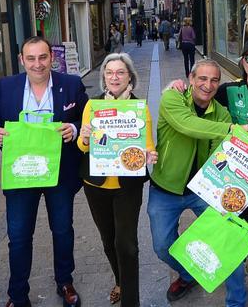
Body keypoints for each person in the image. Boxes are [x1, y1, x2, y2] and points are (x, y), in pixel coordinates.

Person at [166, 38, 248, 291]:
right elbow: (199, 105)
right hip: (238, 171)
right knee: (238, 218)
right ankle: (234, 261)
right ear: (242, 62)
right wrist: (177, 87)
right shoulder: (228, 90)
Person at [0, 36, 89, 307]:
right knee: (18, 236)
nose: (37, 64)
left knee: (63, 230)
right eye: (30, 58)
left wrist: (75, 128)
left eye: (42, 57)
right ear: (22, 60)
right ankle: (17, 294)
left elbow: (87, 117)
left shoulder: (71, 84)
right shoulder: (7, 87)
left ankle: (65, 282)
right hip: (21, 174)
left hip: (59, 174)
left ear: (51, 58)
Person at [148, 59, 248, 306]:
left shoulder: (221, 113)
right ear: (191, 79)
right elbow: (188, 125)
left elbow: (224, 154)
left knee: (227, 242)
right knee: (162, 245)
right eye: (202, 78)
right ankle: (188, 274)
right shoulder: (172, 98)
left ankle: (236, 302)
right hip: (165, 188)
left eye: (214, 80)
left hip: (204, 191)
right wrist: (233, 129)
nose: (208, 85)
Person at [76, 53, 158, 306]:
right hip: (95, 184)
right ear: (103, 78)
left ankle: (130, 301)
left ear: (129, 77)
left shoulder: (138, 108)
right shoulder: (93, 105)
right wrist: (86, 136)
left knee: (127, 245)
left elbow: (146, 146)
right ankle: (120, 281)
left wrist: (149, 156)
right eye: (109, 73)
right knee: (108, 240)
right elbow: (82, 147)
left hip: (127, 186)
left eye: (120, 72)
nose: (114, 77)